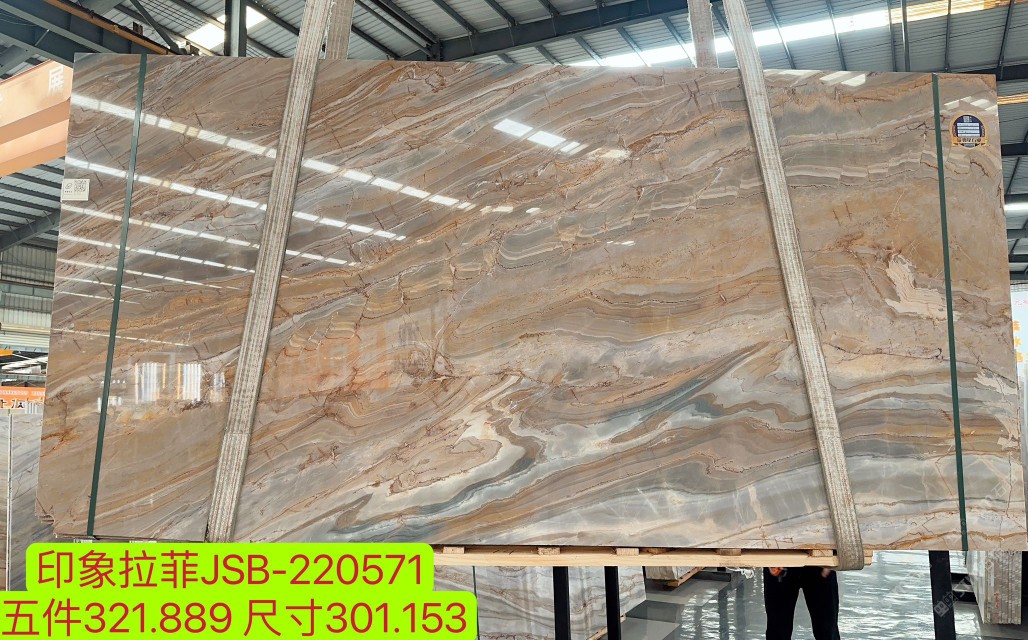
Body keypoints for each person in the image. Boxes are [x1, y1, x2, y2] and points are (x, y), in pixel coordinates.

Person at [763, 566, 840, 639]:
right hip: (780, 561)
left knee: (827, 629)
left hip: (820, 562)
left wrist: (832, 559)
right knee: (777, 630)